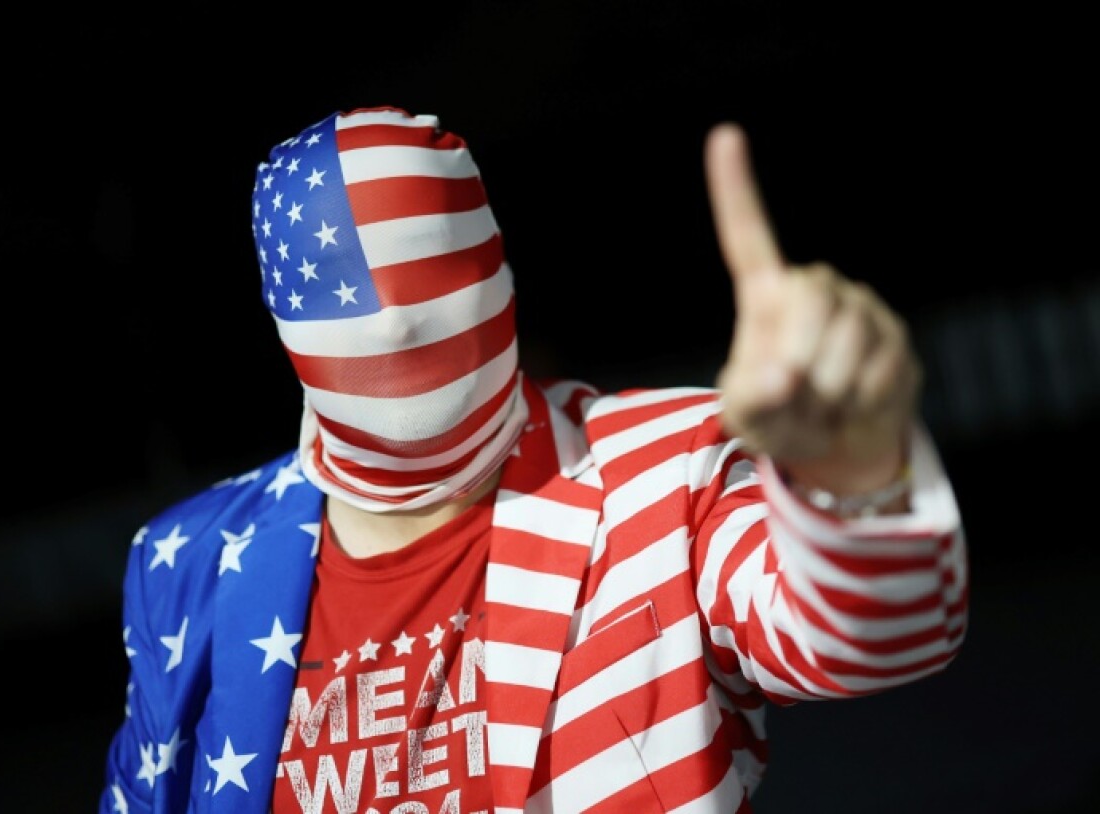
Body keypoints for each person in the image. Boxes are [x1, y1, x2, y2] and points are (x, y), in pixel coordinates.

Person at [99, 106, 969, 814]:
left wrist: (853, 478)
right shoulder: (192, 564)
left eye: (438, 298)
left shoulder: (666, 472)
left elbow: (872, 637)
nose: (402, 334)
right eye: (367, 330)